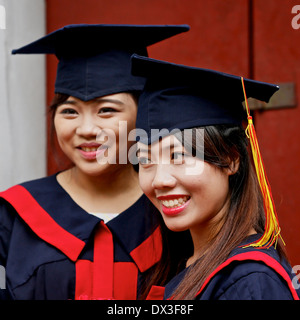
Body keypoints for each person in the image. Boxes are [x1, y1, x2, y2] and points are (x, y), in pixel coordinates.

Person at [0, 24, 190, 300]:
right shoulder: (16, 212)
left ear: (143, 115)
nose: (86, 128)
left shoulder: (175, 210)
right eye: (69, 111)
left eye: (106, 110)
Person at [131, 54, 300, 300]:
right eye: (146, 160)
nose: (159, 180)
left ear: (231, 159)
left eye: (178, 155)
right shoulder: (182, 263)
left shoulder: (251, 283)